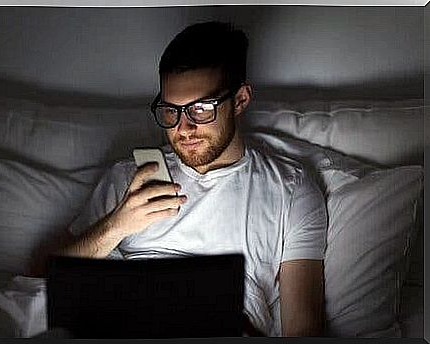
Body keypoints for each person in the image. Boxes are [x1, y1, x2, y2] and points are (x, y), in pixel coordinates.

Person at [31, 21, 327, 337]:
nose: (183, 128)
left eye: (201, 109)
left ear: (240, 100)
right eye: (171, 111)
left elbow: (302, 328)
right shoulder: (128, 178)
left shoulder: (291, 190)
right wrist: (116, 225)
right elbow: (42, 278)